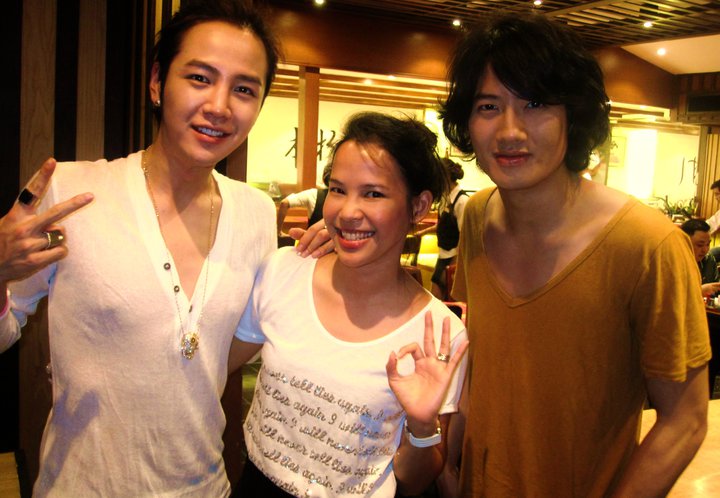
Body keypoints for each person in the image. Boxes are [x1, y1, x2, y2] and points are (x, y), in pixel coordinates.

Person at [0, 1, 327, 495]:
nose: (219, 106)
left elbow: (215, 352)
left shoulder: (257, 212)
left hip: (205, 485)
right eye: (199, 78)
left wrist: (310, 271)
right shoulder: (71, 192)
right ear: (157, 82)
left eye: (244, 89)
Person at [439, 12, 710, 497]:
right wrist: (449, 469)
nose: (510, 131)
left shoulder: (647, 244)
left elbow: (685, 420)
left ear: (574, 116)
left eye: (535, 103)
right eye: (488, 106)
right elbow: (479, 364)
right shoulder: (477, 217)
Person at [227, 112, 469, 497]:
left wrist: (423, 426)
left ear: (419, 206)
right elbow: (214, 365)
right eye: (338, 189)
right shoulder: (284, 271)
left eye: (373, 194)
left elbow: (414, 481)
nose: (347, 212)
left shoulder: (438, 334)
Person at [416, 158, 468, 300]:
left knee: (445, 300)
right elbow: (443, 225)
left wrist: (455, 264)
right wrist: (423, 232)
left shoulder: (462, 201)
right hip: (443, 255)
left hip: (453, 258)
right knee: (437, 299)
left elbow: (465, 236)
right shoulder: (446, 198)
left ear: (445, 177)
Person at [276, 163, 332, 238]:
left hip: (312, 241)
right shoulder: (345, 199)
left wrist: (278, 232)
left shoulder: (313, 194)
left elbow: (284, 203)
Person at [680, 218, 720, 298]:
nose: (705, 250)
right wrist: (699, 291)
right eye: (700, 245)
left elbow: (716, 292)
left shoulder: (708, 259)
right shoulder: (673, 262)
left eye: (708, 244)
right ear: (684, 242)